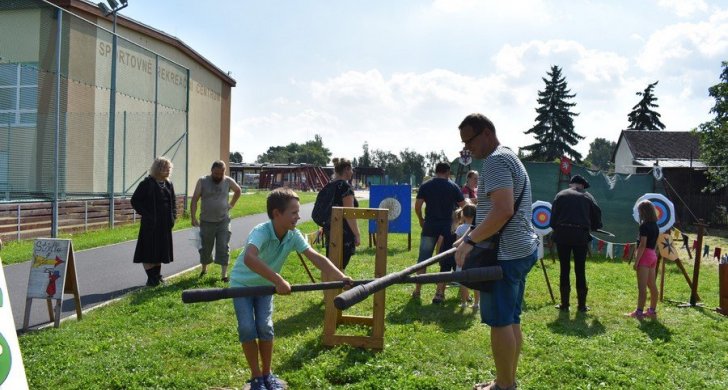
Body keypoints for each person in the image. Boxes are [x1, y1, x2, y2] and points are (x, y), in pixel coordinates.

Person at [230, 188, 352, 390]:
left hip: (265, 288)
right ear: (277, 214)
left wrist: (341, 277)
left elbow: (316, 258)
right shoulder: (261, 232)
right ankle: (256, 377)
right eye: (293, 212)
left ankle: (267, 374)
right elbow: (249, 258)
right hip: (241, 285)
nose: (298, 216)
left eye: (298, 212)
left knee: (265, 327)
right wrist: (278, 280)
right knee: (247, 328)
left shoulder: (293, 235)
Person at [454, 113, 538, 390]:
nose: (469, 149)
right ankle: (507, 380)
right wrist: (469, 235)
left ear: (487, 133)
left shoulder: (495, 162)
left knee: (501, 322)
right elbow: (495, 211)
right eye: (464, 144)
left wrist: (469, 241)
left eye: (470, 141)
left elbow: (503, 210)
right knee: (511, 319)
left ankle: (503, 386)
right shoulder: (508, 157)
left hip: (505, 256)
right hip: (519, 250)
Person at [414, 162, 466, 303]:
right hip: (447, 228)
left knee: (423, 259)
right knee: (444, 261)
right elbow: (464, 206)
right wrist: (457, 222)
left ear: (436, 171)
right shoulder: (453, 186)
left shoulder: (426, 185)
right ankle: (439, 294)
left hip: (429, 225)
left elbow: (418, 206)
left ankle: (417, 290)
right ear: (448, 173)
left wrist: (421, 219)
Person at [550, 174, 603, 312]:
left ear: (571, 184)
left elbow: (552, 219)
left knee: (564, 269)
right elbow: (597, 215)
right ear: (582, 186)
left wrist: (558, 228)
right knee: (580, 270)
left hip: (562, 236)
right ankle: (581, 305)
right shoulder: (587, 197)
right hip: (580, 236)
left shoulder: (560, 195)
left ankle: (565, 305)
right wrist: (595, 226)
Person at [190, 160, 242, 282]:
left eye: (221, 173)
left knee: (223, 246)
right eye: (216, 173)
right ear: (211, 170)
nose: (218, 176)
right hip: (206, 221)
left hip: (223, 221)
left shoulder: (228, 181)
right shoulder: (202, 181)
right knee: (205, 247)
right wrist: (193, 217)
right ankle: (204, 269)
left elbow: (238, 191)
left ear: (224, 172)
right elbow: (194, 200)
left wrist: (231, 205)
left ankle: (224, 275)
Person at [131, 157, 176, 287]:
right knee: (148, 252)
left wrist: (173, 217)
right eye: (165, 169)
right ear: (158, 169)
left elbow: (172, 202)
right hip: (150, 226)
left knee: (160, 251)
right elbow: (135, 201)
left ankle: (157, 277)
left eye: (169, 169)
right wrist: (147, 214)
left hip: (164, 225)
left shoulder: (168, 184)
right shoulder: (147, 184)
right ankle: (151, 278)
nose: (168, 171)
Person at [322, 157, 360, 270]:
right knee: (339, 267)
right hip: (343, 232)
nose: (352, 172)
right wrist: (357, 234)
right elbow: (349, 213)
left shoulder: (329, 185)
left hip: (330, 230)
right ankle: (337, 287)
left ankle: (328, 287)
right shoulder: (345, 187)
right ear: (347, 170)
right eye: (351, 169)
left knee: (331, 264)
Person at [626, 200, 660, 319]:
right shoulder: (656, 225)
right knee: (652, 285)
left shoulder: (644, 226)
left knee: (642, 287)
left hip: (645, 257)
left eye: (640, 211)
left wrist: (637, 261)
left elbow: (642, 244)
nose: (639, 213)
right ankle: (652, 312)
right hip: (652, 256)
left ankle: (639, 313)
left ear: (643, 212)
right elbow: (655, 244)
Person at [453, 203, 479, 309]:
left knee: (463, 282)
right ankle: (476, 303)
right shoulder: (479, 228)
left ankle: (464, 303)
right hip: (476, 258)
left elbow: (457, 244)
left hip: (462, 258)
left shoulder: (460, 228)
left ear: (463, 215)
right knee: (477, 281)